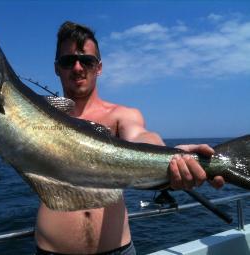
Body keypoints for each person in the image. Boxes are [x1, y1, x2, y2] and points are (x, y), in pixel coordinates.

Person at [35, 21, 225, 255]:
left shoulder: (121, 116)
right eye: (67, 61)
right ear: (56, 68)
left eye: (87, 60)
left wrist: (173, 158)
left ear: (99, 67)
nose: (77, 67)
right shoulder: (38, 120)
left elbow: (141, 137)